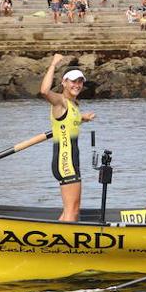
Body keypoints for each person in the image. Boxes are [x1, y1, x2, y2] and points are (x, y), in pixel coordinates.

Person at [38, 55, 95, 222]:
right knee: (72, 211)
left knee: (71, 210)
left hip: (70, 161)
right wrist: (53, 64)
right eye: (73, 81)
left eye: (80, 82)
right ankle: (66, 239)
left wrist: (82, 118)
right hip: (66, 162)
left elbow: (66, 123)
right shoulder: (60, 102)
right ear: (64, 82)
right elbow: (44, 91)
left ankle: (56, 233)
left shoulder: (72, 105)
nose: (77, 85)